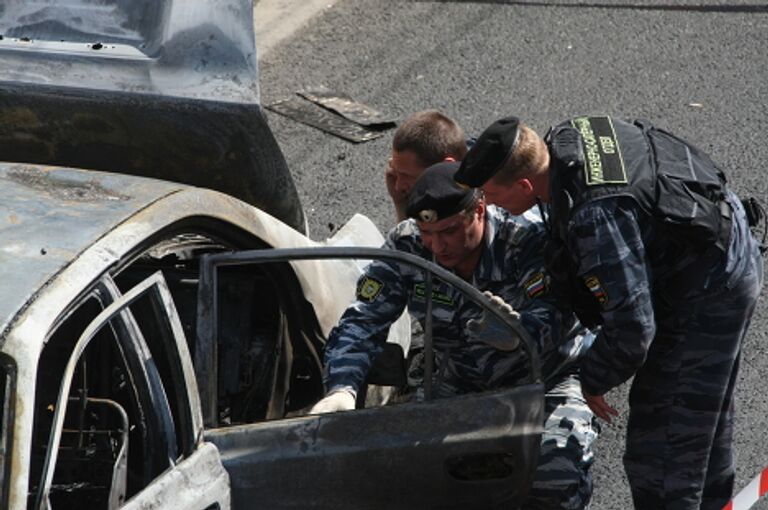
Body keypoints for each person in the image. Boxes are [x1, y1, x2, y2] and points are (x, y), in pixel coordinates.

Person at [454, 115, 764, 510]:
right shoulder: (564, 141)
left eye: (492, 195)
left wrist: (592, 380)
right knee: (701, 426)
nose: (490, 205)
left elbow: (633, 328)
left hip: (708, 293)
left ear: (524, 185)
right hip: (721, 253)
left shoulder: (593, 216)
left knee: (664, 450)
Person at [312, 162, 598, 509]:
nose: (436, 246)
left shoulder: (526, 240)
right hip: (459, 380)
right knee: (404, 477)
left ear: (478, 209)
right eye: (427, 233)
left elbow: (559, 312)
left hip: (544, 380)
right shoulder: (408, 243)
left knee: (553, 482)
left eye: (448, 231)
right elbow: (363, 320)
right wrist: (342, 386)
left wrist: (520, 334)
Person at [386, 110, 468, 222]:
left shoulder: (488, 204)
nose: (398, 186)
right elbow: (410, 237)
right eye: (397, 172)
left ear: (445, 166)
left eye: (407, 176)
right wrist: (400, 202)